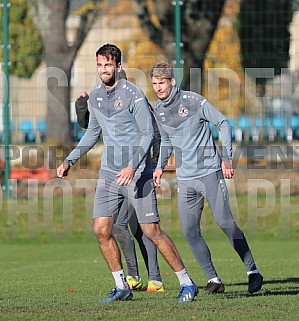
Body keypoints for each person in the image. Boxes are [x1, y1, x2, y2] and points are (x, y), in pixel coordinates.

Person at [57, 44, 197, 303]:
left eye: (108, 65)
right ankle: (121, 286)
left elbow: (148, 134)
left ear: (118, 67)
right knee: (101, 229)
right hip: (109, 174)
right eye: (99, 65)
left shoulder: (133, 95)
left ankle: (187, 282)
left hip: (137, 173)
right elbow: (92, 133)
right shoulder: (96, 96)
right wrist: (69, 160)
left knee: (151, 231)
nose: (103, 70)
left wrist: (133, 165)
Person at [151, 62, 263, 295]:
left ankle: (252, 271)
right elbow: (167, 141)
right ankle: (214, 279)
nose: (158, 87)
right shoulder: (159, 111)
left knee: (225, 223)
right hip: (186, 180)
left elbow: (222, 122)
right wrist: (159, 167)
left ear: (172, 82)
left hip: (209, 173)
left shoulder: (193, 101)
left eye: (161, 82)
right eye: (154, 83)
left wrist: (227, 158)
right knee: (190, 230)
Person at [75, 76, 164, 292]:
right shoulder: (108, 103)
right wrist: (80, 107)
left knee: (143, 228)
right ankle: (133, 276)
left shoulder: (137, 102)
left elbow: (155, 136)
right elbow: (93, 127)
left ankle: (155, 279)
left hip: (140, 173)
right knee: (121, 224)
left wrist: (152, 168)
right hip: (118, 174)